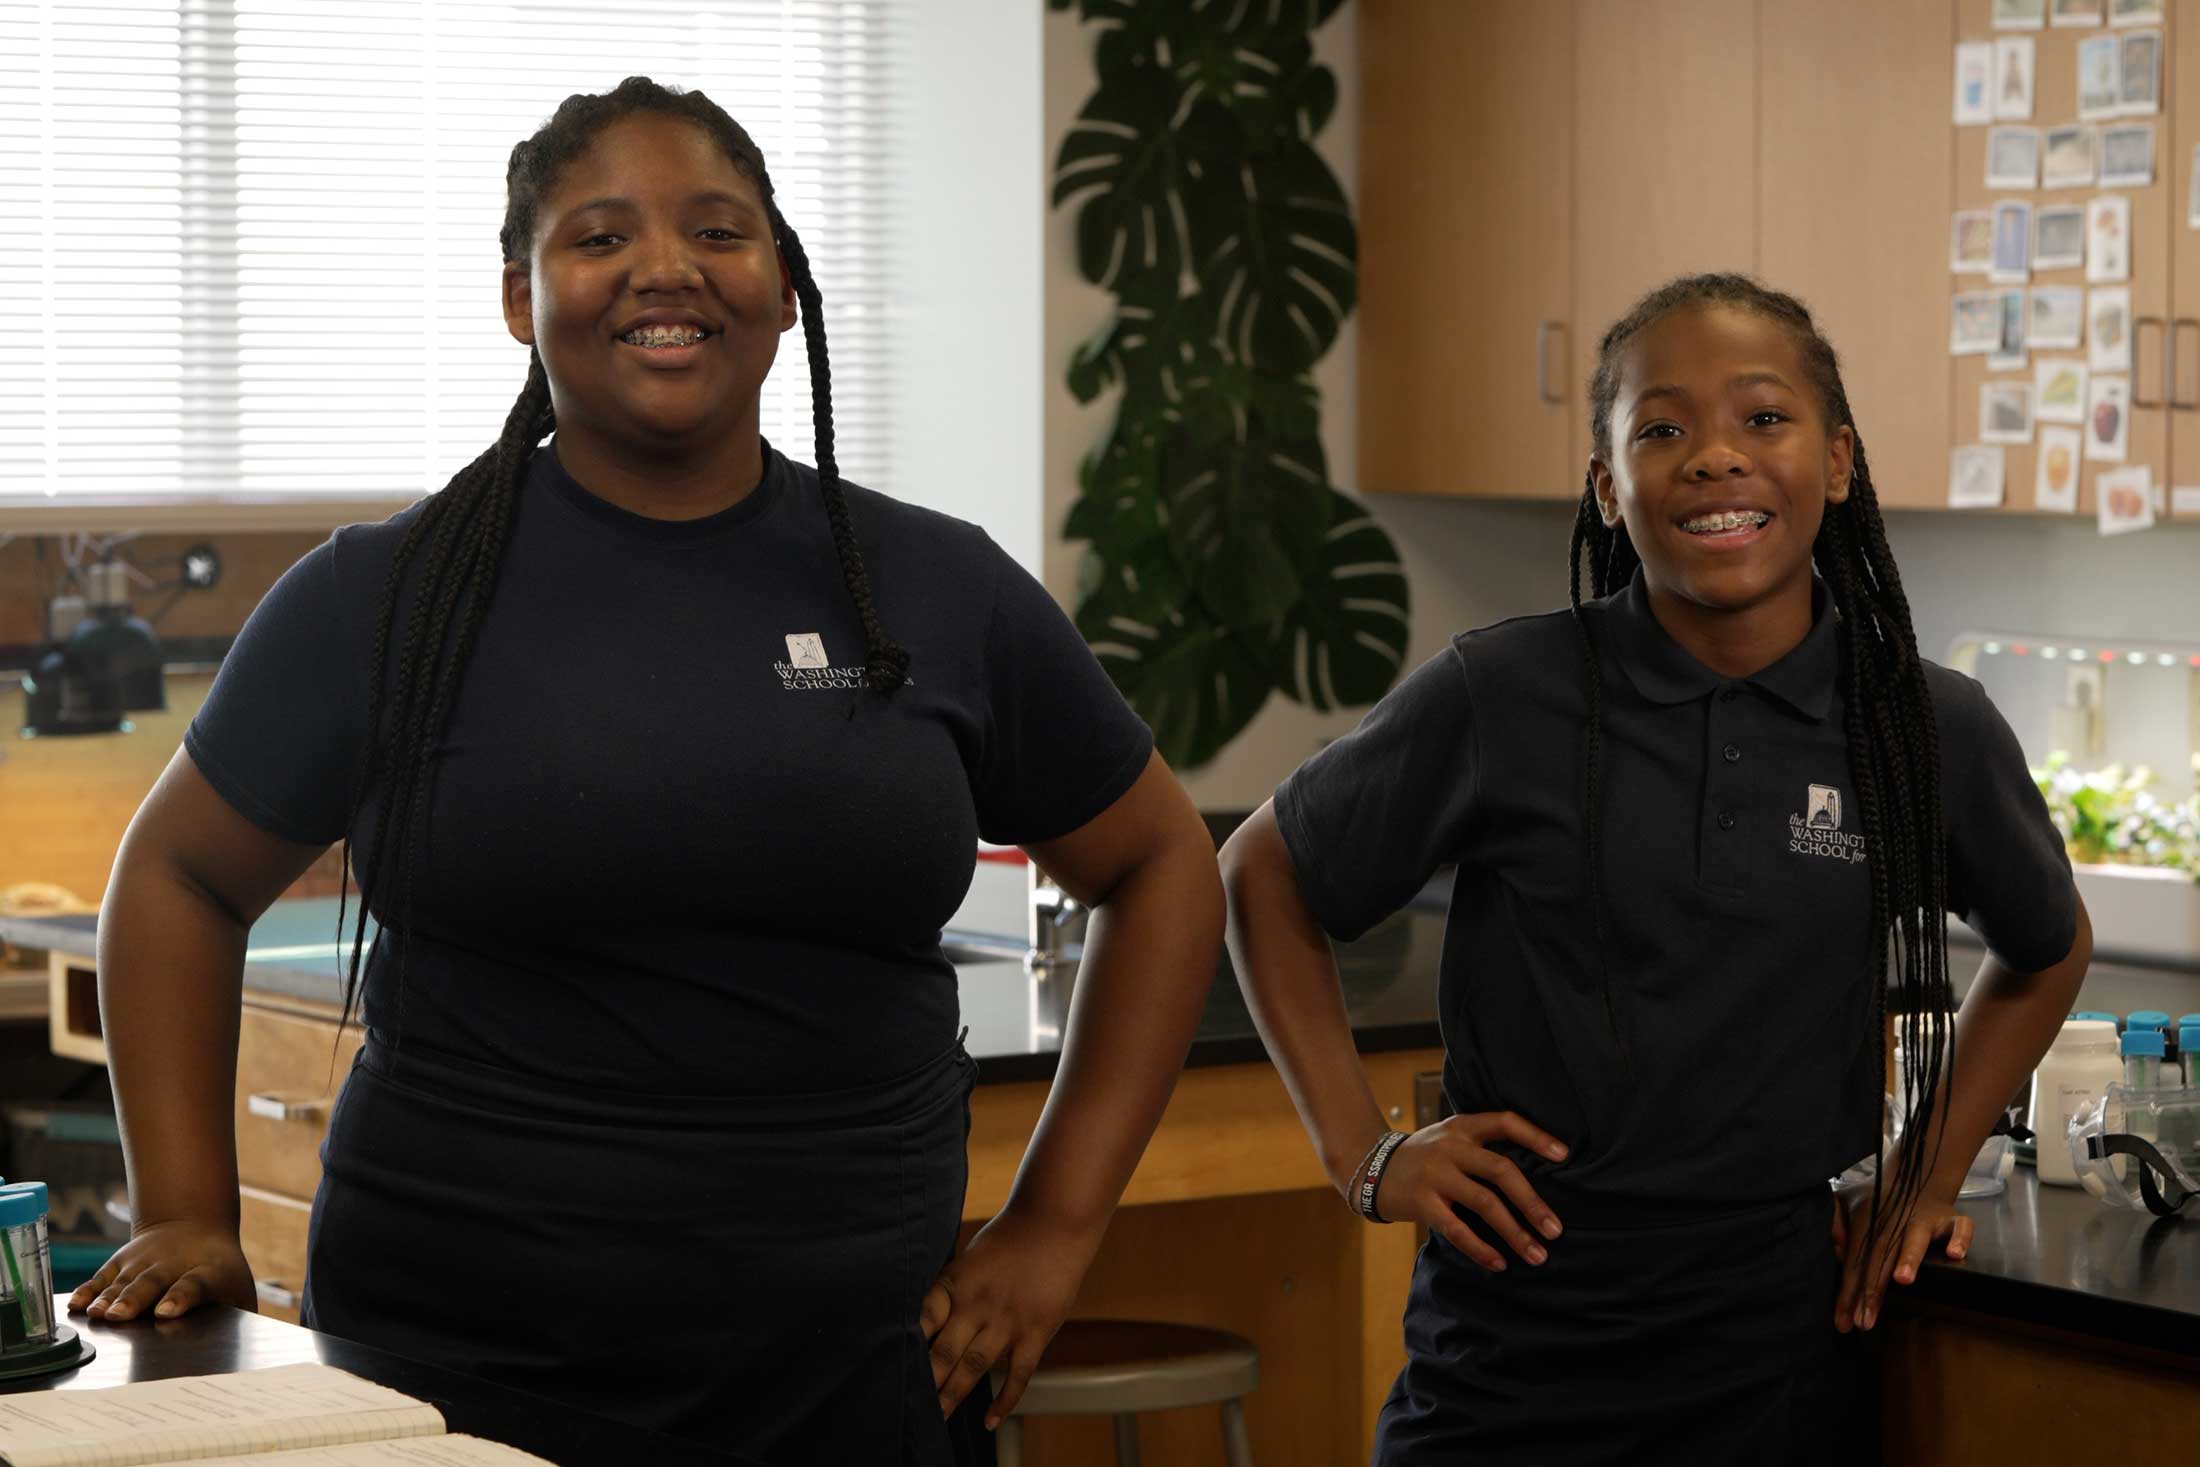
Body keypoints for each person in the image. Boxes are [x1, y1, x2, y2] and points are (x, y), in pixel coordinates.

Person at [70, 77, 1224, 1466]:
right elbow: (179, 873)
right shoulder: (389, 594)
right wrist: (186, 1202)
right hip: (447, 1378)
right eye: (600, 235)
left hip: (862, 1373)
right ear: (520, 298)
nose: (666, 269)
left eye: (720, 231)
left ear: (784, 287)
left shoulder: (932, 583)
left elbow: (1162, 864)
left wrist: (1054, 1225)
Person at [1219, 274, 2092, 1464]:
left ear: (1837, 462)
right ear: (1606, 485)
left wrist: (1921, 1174)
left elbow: (2047, 947)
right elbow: (1262, 872)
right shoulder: (1501, 694)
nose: (1713, 458)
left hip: (1778, 1361)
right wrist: (1360, 1153)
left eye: (1762, 419)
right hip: (1504, 1368)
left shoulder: (1919, 726)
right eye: (1661, 429)